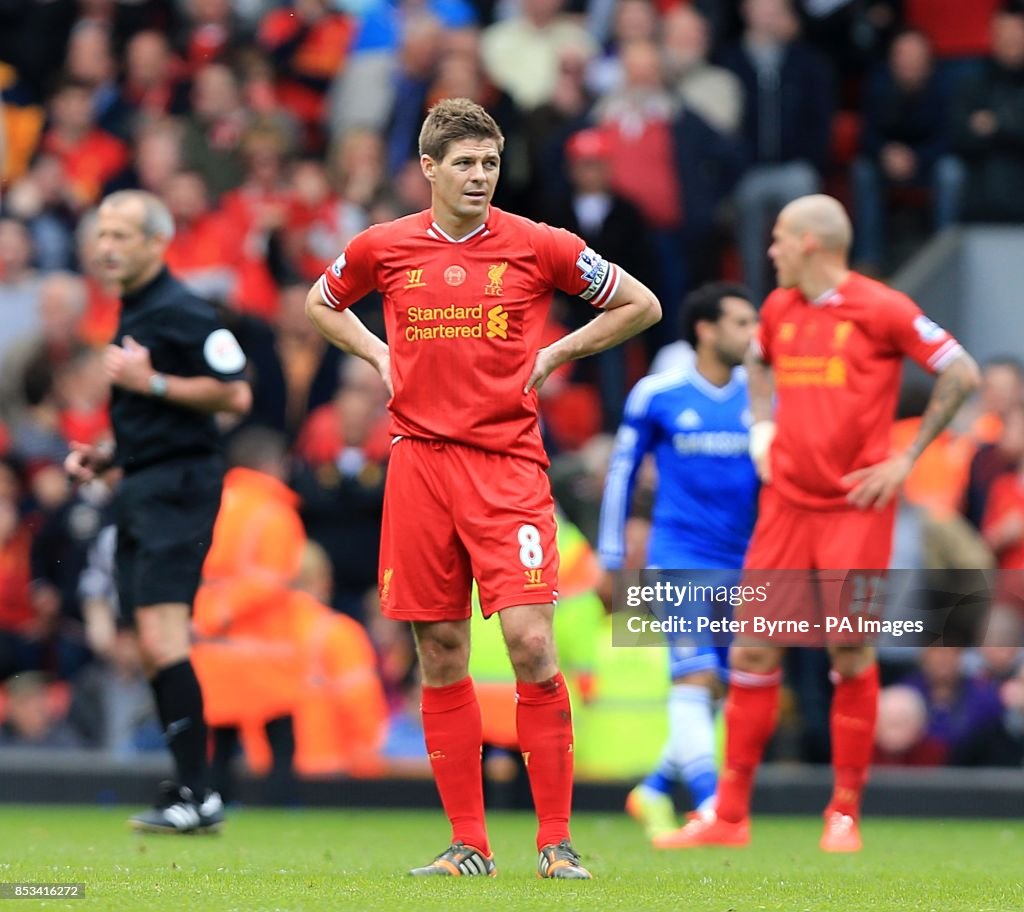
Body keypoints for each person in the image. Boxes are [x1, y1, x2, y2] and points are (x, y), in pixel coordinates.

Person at [305, 97, 660, 878]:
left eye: (489, 163)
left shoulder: (539, 245)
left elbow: (642, 304)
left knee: (532, 642)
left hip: (508, 467)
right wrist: (375, 355)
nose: (478, 175)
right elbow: (319, 303)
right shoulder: (382, 247)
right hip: (420, 465)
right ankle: (469, 842)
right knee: (439, 649)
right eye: (463, 162)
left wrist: (554, 354)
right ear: (428, 168)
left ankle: (556, 842)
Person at [660, 194, 980, 852]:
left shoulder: (882, 307)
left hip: (853, 509)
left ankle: (843, 811)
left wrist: (908, 459)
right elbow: (757, 362)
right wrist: (763, 430)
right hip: (786, 506)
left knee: (848, 650)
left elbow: (961, 371)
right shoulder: (779, 308)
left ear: (810, 243)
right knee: (752, 649)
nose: (769, 249)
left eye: (779, 238)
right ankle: (730, 816)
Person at [64, 190, 252, 833]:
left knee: (165, 637)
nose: (107, 246)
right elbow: (160, 420)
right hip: (145, 481)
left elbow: (236, 393)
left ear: (155, 243)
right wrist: (108, 456)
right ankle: (187, 789)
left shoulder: (182, 310)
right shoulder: (138, 310)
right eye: (102, 234)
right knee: (151, 644)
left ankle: (199, 796)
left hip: (178, 487)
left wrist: (154, 384)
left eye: (121, 235)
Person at [597, 282, 760, 842]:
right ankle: (715, 806)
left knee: (716, 688)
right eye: (741, 323)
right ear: (706, 330)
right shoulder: (658, 394)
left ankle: (655, 790)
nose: (752, 334)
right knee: (694, 676)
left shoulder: (761, 395)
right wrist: (612, 553)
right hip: (678, 556)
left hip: (743, 561)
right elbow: (621, 471)